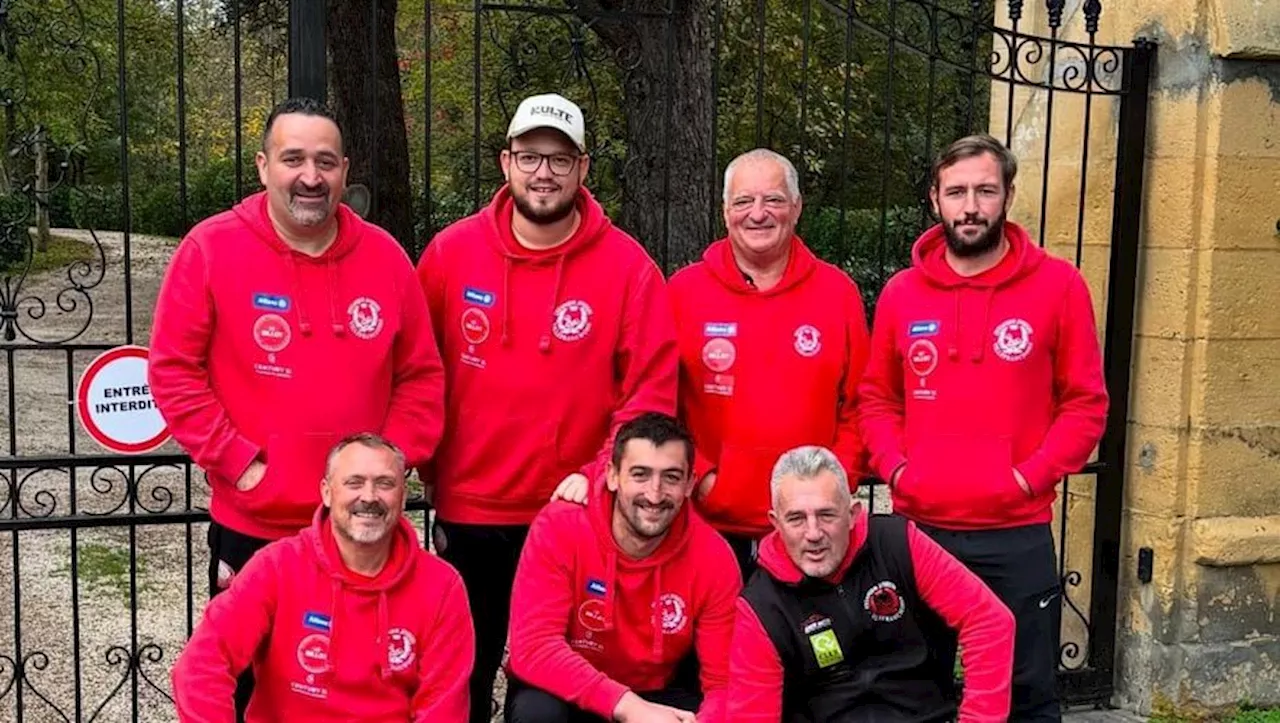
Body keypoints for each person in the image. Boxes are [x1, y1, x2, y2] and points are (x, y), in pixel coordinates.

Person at [150, 97, 445, 717]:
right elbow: (174, 371)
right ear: (263, 167)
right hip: (256, 523)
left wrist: (387, 467)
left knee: (354, 686)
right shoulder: (210, 249)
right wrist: (238, 460)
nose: (310, 176)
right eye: (293, 159)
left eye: (325, 161)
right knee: (244, 687)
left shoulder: (387, 259)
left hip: (360, 530)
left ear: (344, 171)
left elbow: (420, 376)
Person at [416, 92, 679, 722]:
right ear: (506, 162)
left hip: (578, 516)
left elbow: (647, 395)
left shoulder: (628, 267)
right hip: (473, 508)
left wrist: (596, 480)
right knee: (463, 675)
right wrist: (426, 465)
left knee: (566, 684)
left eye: (560, 160)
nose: (544, 173)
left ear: (583, 169)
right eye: (531, 156)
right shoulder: (451, 255)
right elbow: (416, 373)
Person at [858, 133, 1108, 721]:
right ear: (935, 200)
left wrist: (1030, 476)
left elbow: (1086, 403)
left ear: (1008, 196)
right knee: (916, 689)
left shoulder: (1059, 286)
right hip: (921, 532)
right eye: (957, 192)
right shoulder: (901, 293)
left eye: (985, 191)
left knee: (1027, 694)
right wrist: (897, 467)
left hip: (1014, 531)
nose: (971, 206)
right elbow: (876, 398)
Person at [662, 148, 871, 579]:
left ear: (796, 207)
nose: (758, 214)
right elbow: (660, 403)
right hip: (709, 526)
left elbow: (862, 406)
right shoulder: (683, 293)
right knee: (713, 646)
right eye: (743, 202)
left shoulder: (837, 293)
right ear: (725, 211)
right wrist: (701, 478)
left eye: (773, 200)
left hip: (809, 529)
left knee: (808, 647)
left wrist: (834, 485)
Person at [171, 433, 474, 722]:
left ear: (404, 496)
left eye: (385, 483)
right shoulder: (276, 567)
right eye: (354, 482)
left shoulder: (441, 586)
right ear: (327, 492)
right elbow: (202, 665)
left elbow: (442, 708)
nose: (369, 497)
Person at [729, 446, 1015, 722]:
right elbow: (750, 716)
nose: (813, 533)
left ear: (853, 513)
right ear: (775, 523)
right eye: (796, 519)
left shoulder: (898, 543)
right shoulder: (761, 605)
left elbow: (989, 621)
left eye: (826, 515)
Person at [504, 412, 739, 723]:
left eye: (670, 477)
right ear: (612, 475)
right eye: (640, 474)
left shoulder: (714, 556)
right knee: (537, 713)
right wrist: (627, 706)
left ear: (689, 484)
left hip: (659, 693)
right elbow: (533, 647)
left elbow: (723, 682)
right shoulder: (559, 527)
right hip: (572, 687)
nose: (654, 494)